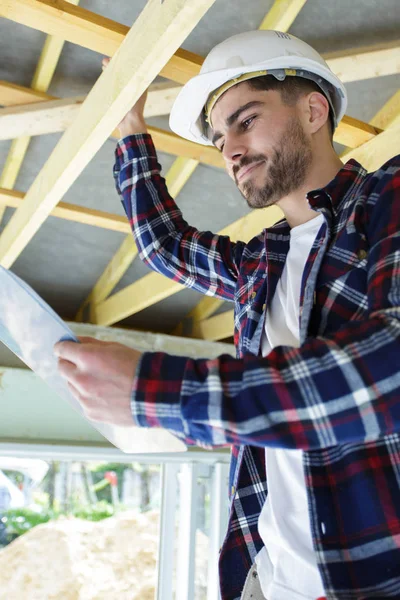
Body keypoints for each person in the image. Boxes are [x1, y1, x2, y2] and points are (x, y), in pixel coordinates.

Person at [55, 30, 400, 600]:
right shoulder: (261, 263)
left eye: (246, 120)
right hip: (268, 576)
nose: (230, 150)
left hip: (372, 576)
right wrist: (130, 130)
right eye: (219, 140)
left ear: (314, 110)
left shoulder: (387, 200)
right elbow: (165, 246)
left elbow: (389, 366)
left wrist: (158, 392)